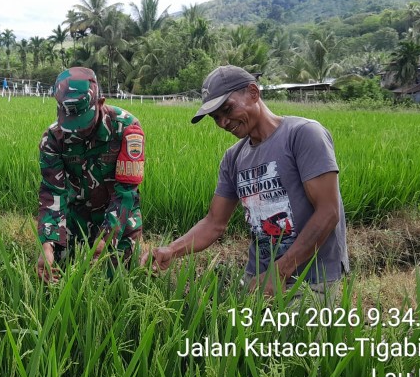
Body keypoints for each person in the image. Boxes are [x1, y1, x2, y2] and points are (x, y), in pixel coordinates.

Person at [143, 65, 348, 297]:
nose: (223, 123)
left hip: (309, 280)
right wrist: (172, 249)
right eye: (216, 118)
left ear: (253, 92)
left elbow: (328, 212)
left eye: (227, 110)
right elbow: (213, 223)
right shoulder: (234, 157)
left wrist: (280, 272)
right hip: (259, 278)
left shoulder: (303, 135)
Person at [36, 67, 145, 282]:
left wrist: (106, 237)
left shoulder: (127, 128)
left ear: (100, 103)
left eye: (83, 122)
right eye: (71, 123)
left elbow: (125, 192)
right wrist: (47, 243)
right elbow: (52, 193)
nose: (77, 131)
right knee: (56, 271)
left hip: (118, 212)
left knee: (119, 275)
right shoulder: (52, 139)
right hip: (77, 212)